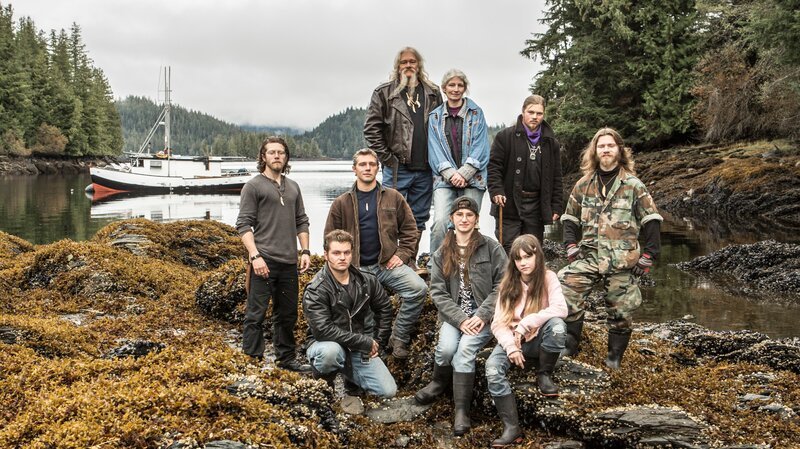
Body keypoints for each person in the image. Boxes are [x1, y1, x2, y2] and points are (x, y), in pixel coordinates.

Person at [558, 127, 662, 369]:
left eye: (610, 145)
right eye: (601, 146)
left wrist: (649, 256)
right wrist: (571, 246)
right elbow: (569, 218)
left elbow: (651, 220)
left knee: (621, 310)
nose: (605, 150)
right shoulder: (583, 184)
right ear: (594, 151)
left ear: (619, 150)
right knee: (564, 286)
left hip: (622, 260)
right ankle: (570, 344)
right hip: (589, 256)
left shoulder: (633, 185)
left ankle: (614, 357)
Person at [414, 196, 506, 436]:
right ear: (452, 219)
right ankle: (438, 383)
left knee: (464, 351)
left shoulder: (492, 247)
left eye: (469, 215)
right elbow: (438, 292)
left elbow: (503, 285)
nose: (464, 219)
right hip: (455, 316)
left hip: (484, 316)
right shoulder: (442, 252)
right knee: (445, 349)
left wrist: (483, 314)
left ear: (476, 219)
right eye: (459, 215)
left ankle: (461, 411)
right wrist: (460, 319)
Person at [324, 148, 427, 359]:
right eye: (362, 164)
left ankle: (399, 338)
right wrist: (342, 268)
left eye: (372, 164)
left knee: (418, 289)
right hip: (357, 270)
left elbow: (410, 230)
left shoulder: (393, 197)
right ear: (354, 169)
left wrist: (402, 254)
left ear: (378, 168)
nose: (367, 168)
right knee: (366, 316)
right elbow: (329, 238)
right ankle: (370, 353)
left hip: (386, 264)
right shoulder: (341, 202)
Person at [236, 136, 311, 373]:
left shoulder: (294, 187)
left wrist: (305, 251)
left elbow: (301, 220)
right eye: (272, 152)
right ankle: (252, 360)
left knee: (287, 314)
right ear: (263, 157)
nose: (277, 156)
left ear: (286, 157)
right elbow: (243, 224)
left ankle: (286, 359)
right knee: (255, 314)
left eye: (281, 152)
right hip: (264, 260)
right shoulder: (253, 186)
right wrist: (255, 256)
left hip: (289, 262)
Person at [364, 46, 443, 272]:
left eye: (412, 62)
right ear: (397, 66)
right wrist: (388, 159)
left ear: (419, 65)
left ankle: (410, 261)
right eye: (404, 62)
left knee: (418, 218)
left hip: (426, 168)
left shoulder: (432, 92)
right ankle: (388, 261)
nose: (408, 65)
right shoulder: (384, 92)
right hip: (397, 168)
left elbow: (441, 126)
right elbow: (371, 129)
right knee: (390, 215)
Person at [485, 235, 567, 447]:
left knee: (557, 326)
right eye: (518, 258)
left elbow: (561, 308)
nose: (523, 263)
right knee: (492, 369)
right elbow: (498, 323)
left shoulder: (549, 277)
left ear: (538, 256)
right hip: (513, 340)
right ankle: (512, 428)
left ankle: (544, 373)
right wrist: (511, 348)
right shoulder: (507, 284)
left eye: (528, 256)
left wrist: (526, 323)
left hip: (538, 338)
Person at [303, 230, 397, 398]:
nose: (342, 257)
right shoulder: (316, 289)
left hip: (357, 347)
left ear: (352, 253)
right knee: (330, 353)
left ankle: (351, 379)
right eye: (336, 253)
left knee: (388, 391)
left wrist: (378, 342)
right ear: (326, 255)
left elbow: (384, 309)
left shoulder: (367, 280)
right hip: (325, 344)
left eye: (346, 252)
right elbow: (322, 330)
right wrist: (364, 341)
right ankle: (324, 384)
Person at [488, 95, 562, 254]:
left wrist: (556, 205)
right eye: (531, 112)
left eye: (539, 113)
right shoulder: (504, 137)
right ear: (523, 112)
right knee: (508, 249)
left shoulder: (551, 143)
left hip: (536, 206)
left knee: (532, 250)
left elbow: (556, 177)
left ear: (543, 114)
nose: (535, 117)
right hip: (508, 204)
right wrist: (496, 191)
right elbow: (494, 168)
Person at [427, 69, 490, 257]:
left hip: (473, 178)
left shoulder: (476, 113)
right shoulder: (435, 117)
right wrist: (451, 174)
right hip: (444, 179)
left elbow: (481, 147)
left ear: (465, 88)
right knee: (440, 221)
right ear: (444, 88)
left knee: (468, 222)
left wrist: (464, 173)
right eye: (451, 85)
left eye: (460, 85)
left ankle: (470, 261)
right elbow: (434, 150)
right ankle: (436, 263)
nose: (456, 89)